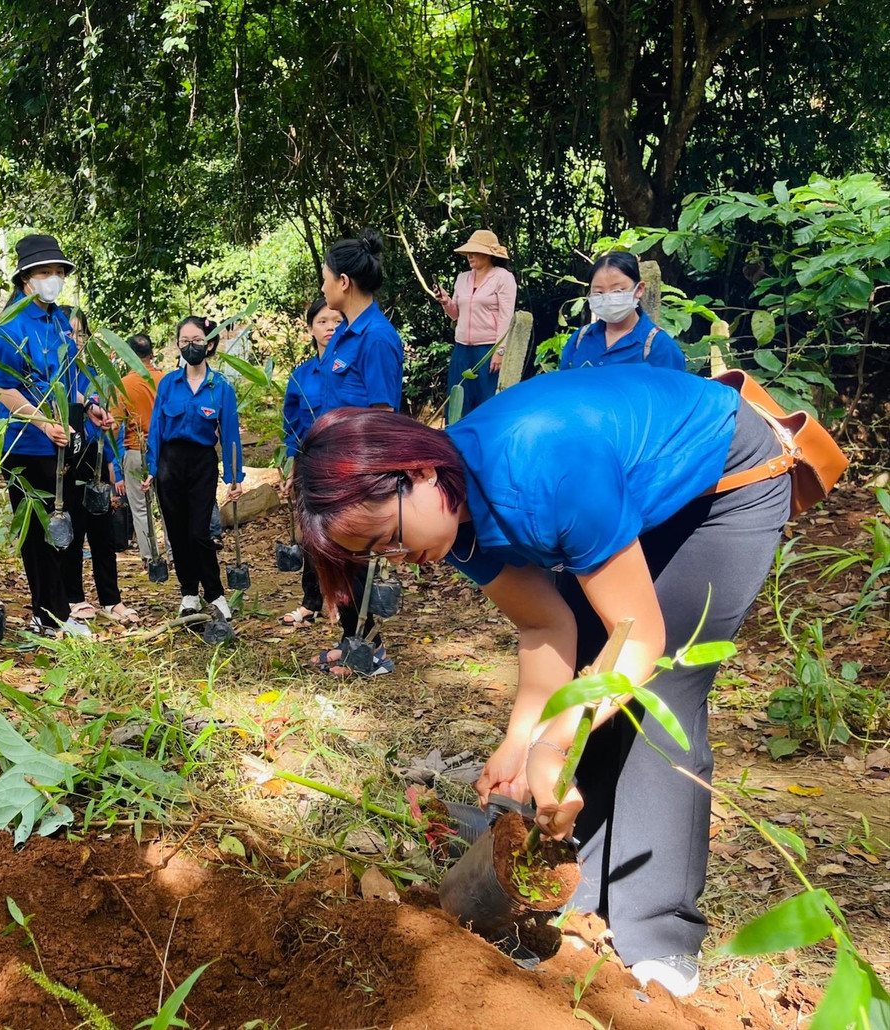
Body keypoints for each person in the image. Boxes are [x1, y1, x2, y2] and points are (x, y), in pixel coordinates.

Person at [292, 365, 794, 998]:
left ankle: (660, 937)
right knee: (593, 679)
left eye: (389, 537)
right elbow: (544, 625)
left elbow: (638, 638)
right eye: (378, 555)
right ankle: (590, 889)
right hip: (623, 498)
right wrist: (521, 741)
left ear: (417, 473)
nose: (400, 559)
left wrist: (553, 748)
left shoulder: (544, 468)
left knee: (658, 686)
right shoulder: (456, 522)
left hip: (722, 483)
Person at [0, 234, 119, 636]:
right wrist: (42, 422)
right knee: (38, 532)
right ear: (26, 278)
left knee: (63, 527)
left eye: (58, 272)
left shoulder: (58, 320)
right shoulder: (10, 326)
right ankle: (47, 615)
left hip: (62, 442)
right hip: (26, 443)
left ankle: (57, 608)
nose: (53, 279)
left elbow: (71, 377)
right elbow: (3, 388)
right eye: (44, 272)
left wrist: (92, 404)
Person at [316, 229, 403, 675]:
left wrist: (376, 480)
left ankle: (372, 650)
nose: (323, 287)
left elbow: (384, 415)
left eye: (326, 278)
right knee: (341, 557)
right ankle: (352, 639)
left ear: (345, 282)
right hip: (334, 464)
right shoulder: (343, 334)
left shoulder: (378, 338)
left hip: (360, 468)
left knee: (360, 558)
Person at [142, 316, 243, 622]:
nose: (190, 346)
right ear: (178, 345)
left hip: (202, 463)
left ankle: (214, 593)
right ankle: (189, 594)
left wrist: (234, 478)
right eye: (184, 341)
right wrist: (151, 467)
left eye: (197, 340)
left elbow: (230, 434)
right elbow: (156, 427)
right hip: (169, 464)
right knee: (177, 532)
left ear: (209, 343)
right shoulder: (169, 384)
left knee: (200, 532)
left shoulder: (220, 387)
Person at [58, 307, 139, 625]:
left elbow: (105, 425)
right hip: (65, 460)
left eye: (80, 333)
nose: (75, 339)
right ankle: (73, 598)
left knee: (103, 532)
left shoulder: (92, 373)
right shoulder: (52, 375)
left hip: (93, 460)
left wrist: (112, 471)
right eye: (69, 333)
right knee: (73, 533)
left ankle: (111, 599)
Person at [279, 297, 340, 628]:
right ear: (310, 328)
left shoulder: (348, 369)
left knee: (343, 530)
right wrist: (293, 465)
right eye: (322, 321)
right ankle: (311, 601)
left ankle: (343, 599)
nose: (330, 327)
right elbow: (291, 423)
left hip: (342, 457)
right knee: (311, 533)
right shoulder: (301, 376)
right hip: (308, 458)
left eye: (336, 321)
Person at [433, 229, 516, 417]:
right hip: (462, 349)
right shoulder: (462, 278)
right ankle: (455, 443)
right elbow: (455, 315)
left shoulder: (503, 277)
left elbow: (506, 317)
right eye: (468, 252)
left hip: (487, 350)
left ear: (489, 254)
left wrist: (500, 351)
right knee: (457, 403)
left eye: (475, 251)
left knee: (486, 403)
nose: (469, 255)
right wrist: (445, 301)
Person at [559, 252, 686, 371]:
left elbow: (673, 393)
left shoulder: (660, 346)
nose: (607, 298)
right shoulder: (580, 339)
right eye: (598, 292)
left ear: (639, 289)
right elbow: (565, 387)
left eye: (618, 291)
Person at [110, 332, 168, 567]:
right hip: (165, 452)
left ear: (128, 356)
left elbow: (114, 426)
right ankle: (175, 554)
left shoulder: (123, 384)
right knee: (168, 506)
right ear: (152, 354)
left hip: (135, 451)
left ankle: (150, 557)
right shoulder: (166, 380)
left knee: (141, 509)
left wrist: (113, 457)